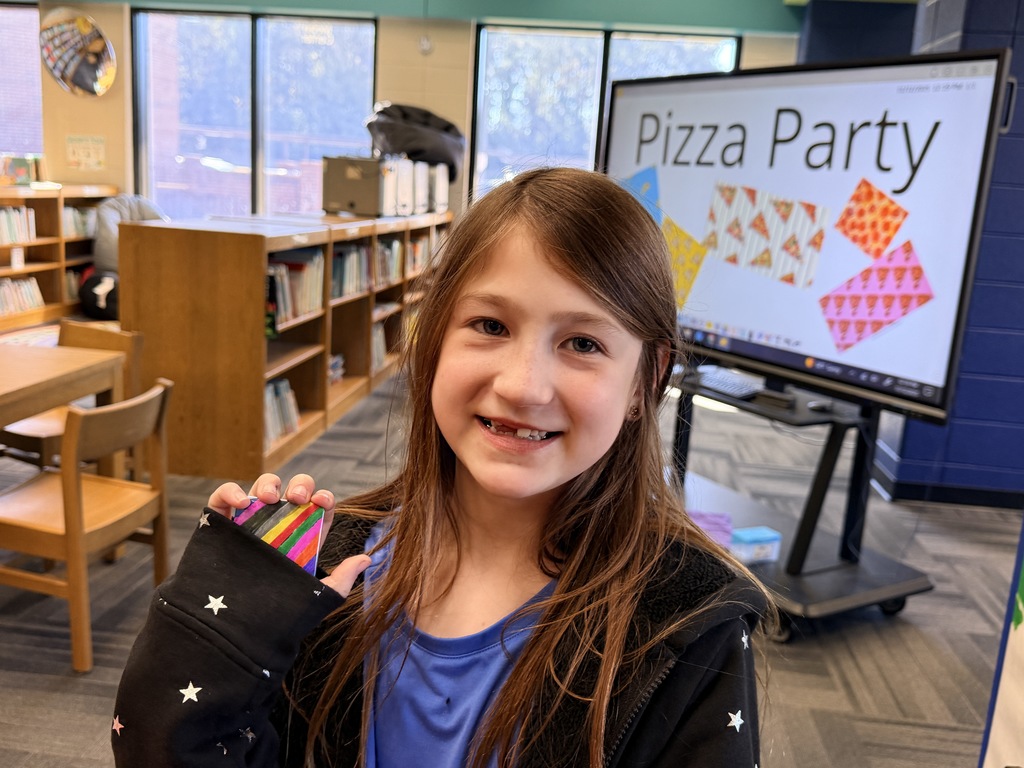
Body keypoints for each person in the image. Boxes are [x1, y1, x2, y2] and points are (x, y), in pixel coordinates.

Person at [111, 167, 774, 767]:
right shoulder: (329, 568)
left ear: (643, 381)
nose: (523, 385)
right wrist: (211, 639)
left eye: (582, 343)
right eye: (490, 325)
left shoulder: (690, 626)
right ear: (432, 336)